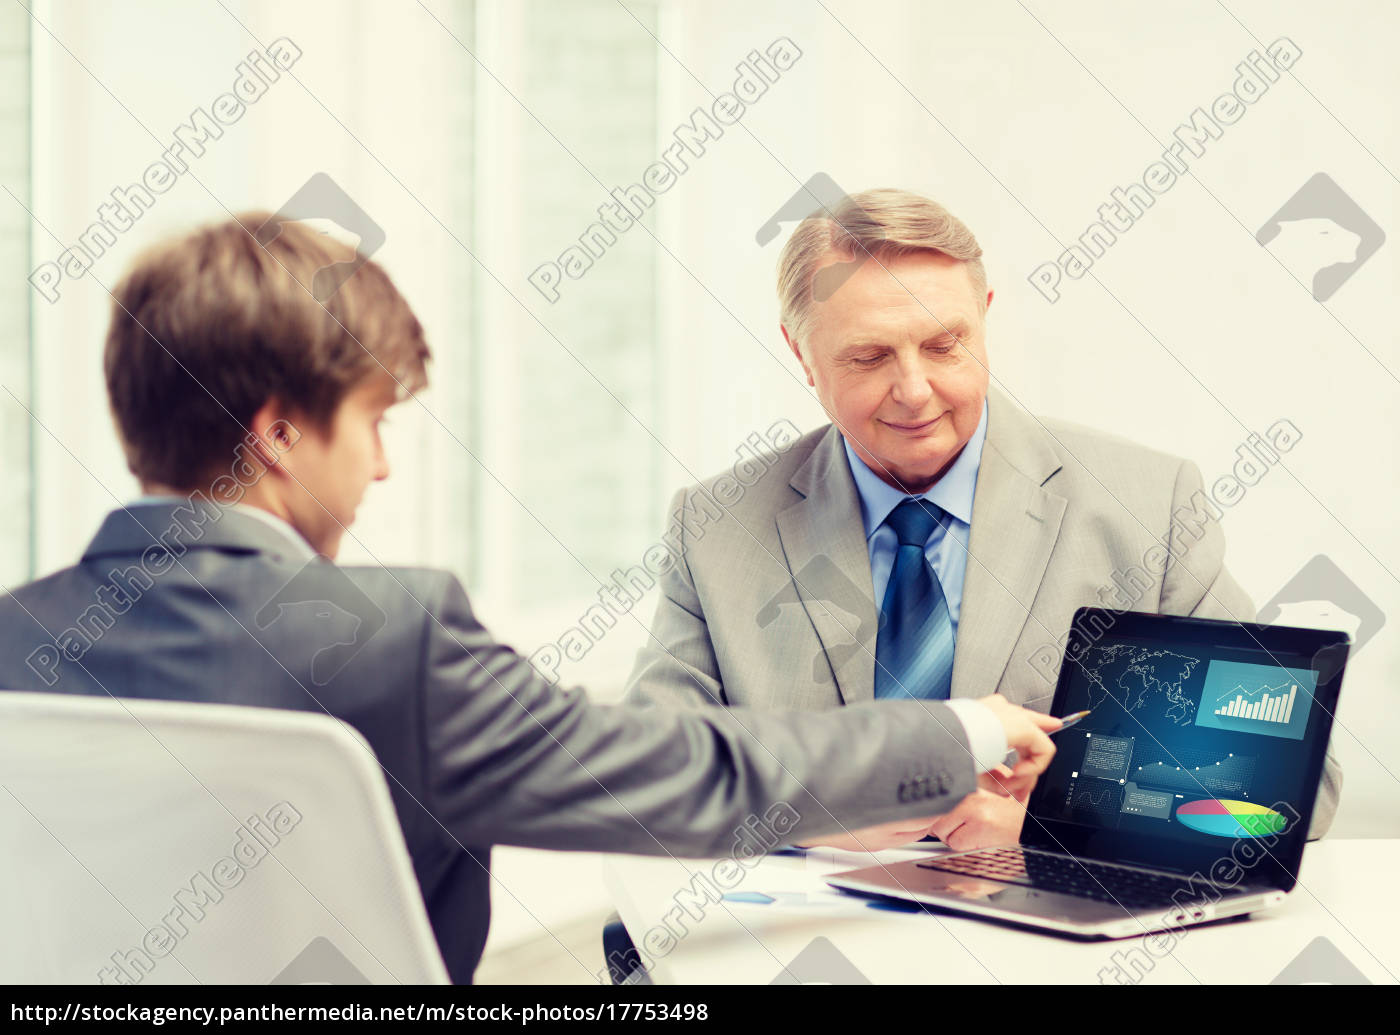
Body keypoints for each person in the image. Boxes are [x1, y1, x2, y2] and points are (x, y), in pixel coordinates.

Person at [0, 212, 1060, 984]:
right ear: (279, 434)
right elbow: (690, 776)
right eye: (370, 421)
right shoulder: (390, 646)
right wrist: (964, 732)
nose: (378, 469)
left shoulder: (17, 641)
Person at [625, 187, 1340, 850]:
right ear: (800, 353)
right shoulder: (716, 527)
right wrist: (826, 812)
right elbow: (646, 779)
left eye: (944, 345)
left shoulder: (1149, 507)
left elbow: (1293, 792)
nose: (914, 390)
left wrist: (1054, 821)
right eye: (870, 355)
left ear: (986, 318)